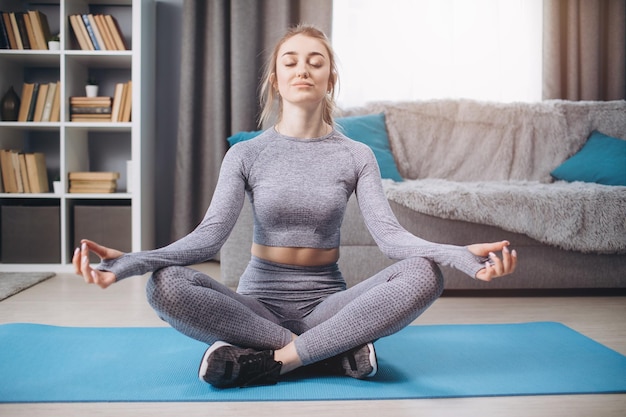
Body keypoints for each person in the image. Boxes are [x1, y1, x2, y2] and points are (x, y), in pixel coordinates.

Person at [73, 24, 517, 389]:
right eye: (290, 61)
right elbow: (207, 238)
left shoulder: (356, 155)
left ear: (330, 80)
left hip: (327, 304)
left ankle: (276, 360)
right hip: (258, 306)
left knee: (424, 273)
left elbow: (392, 239)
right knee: (164, 285)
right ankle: (331, 352)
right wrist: (132, 262)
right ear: (276, 79)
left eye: (315, 61)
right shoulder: (246, 154)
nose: (302, 69)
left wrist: (459, 255)